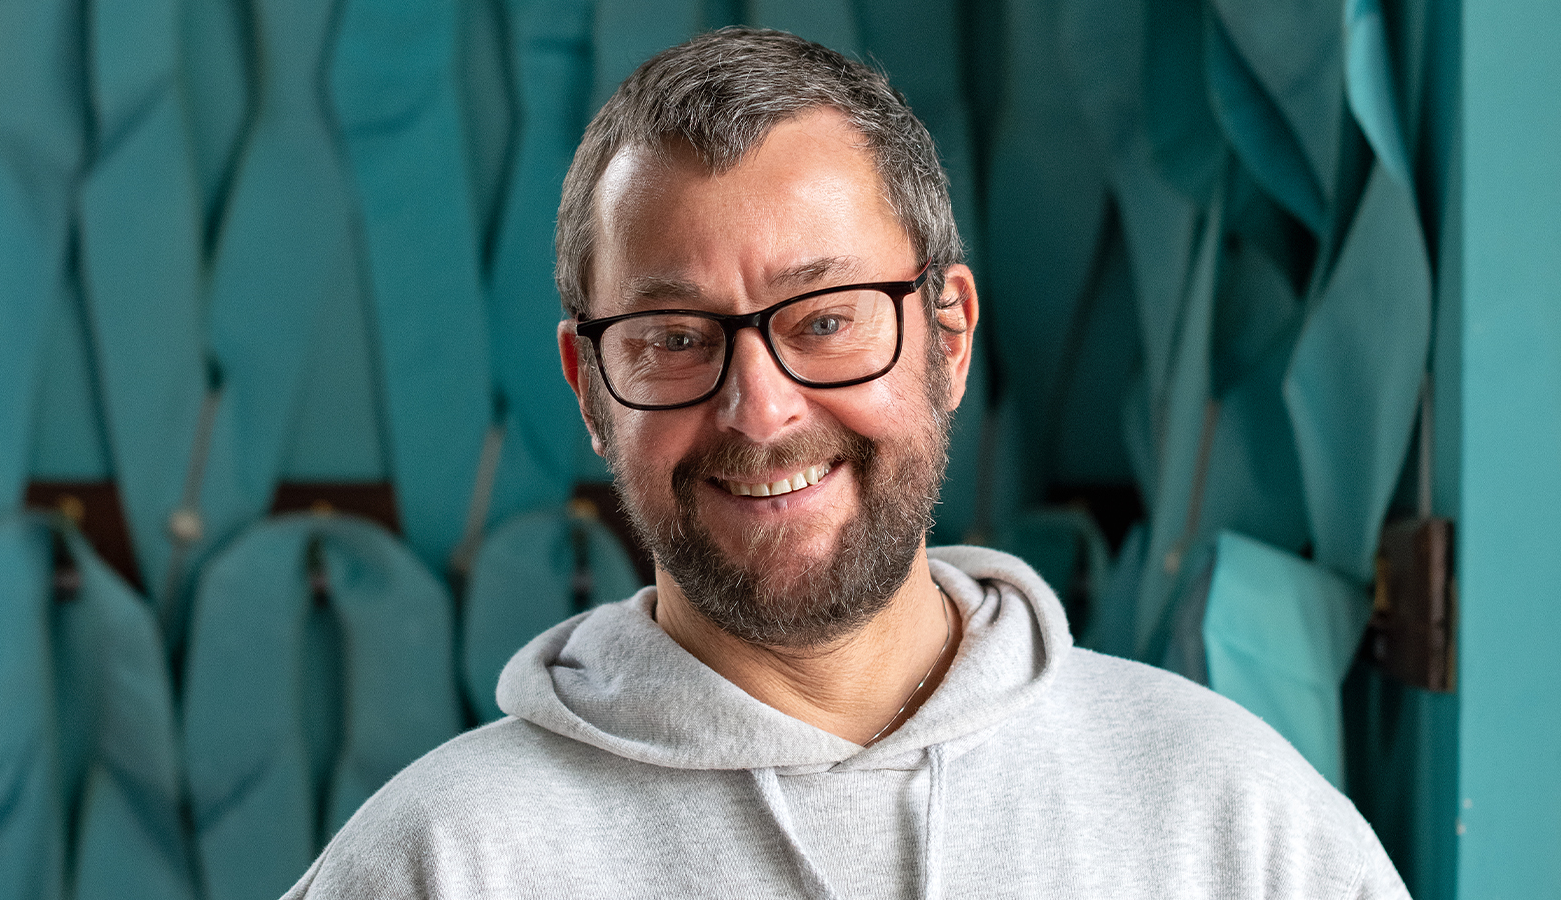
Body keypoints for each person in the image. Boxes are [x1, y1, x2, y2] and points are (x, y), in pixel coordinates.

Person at [284, 28, 1409, 899]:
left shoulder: (1228, 819)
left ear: (950, 336)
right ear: (588, 388)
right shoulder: (445, 861)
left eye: (824, 320)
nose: (760, 411)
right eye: (675, 340)